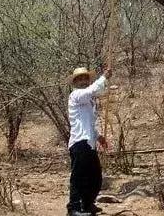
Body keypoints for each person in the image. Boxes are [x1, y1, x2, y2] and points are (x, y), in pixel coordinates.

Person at [66, 66, 111, 216]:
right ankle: (74, 208)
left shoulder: (89, 101)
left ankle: (87, 203)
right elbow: (91, 91)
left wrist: (98, 136)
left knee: (95, 176)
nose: (83, 81)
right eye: (80, 79)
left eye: (85, 78)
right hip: (79, 142)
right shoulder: (76, 95)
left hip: (89, 143)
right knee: (79, 176)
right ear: (75, 82)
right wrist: (104, 77)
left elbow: (88, 123)